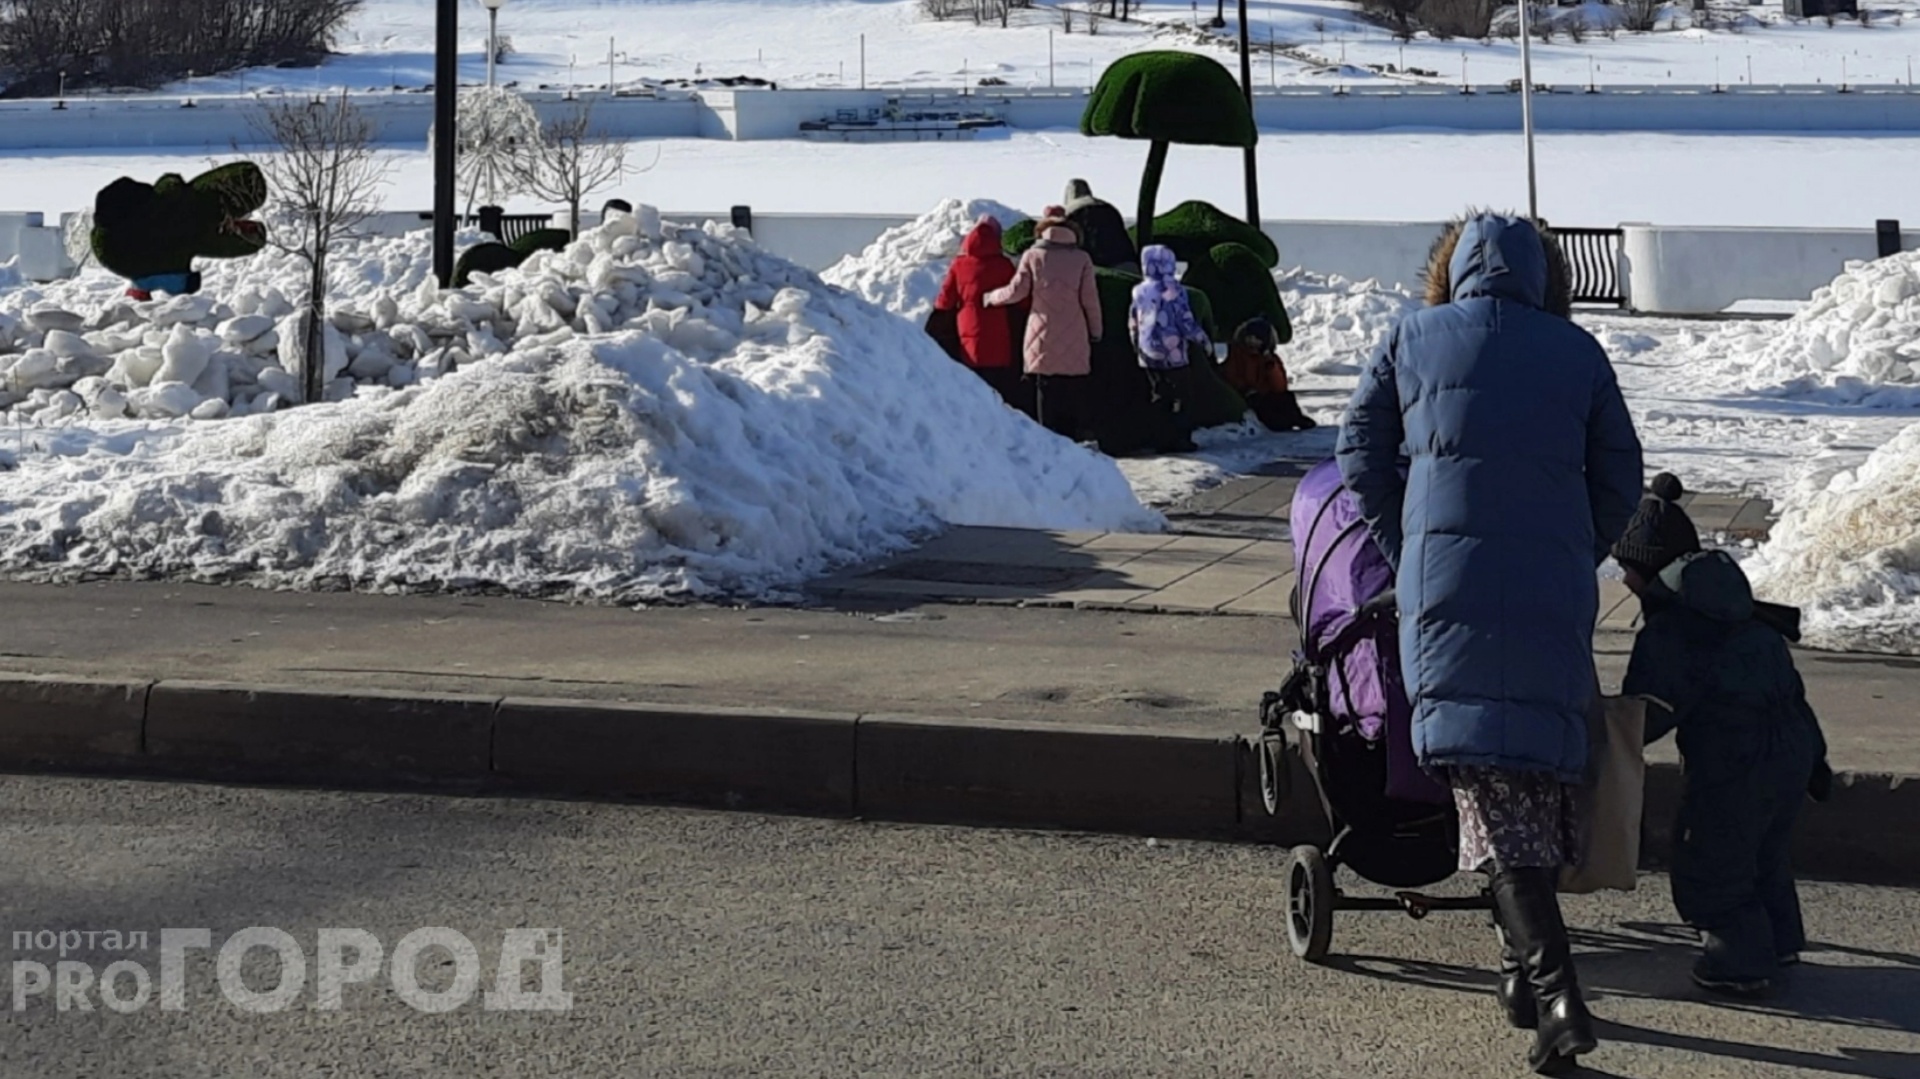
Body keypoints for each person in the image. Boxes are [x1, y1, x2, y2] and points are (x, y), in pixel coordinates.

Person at [1336, 213, 1644, 1077]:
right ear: (1547, 277)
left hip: (1449, 587)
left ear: (1450, 273)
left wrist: (1411, 542)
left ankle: (1556, 995)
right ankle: (1520, 976)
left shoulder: (1413, 337)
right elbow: (1621, 471)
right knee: (1529, 772)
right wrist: (1576, 548)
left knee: (1486, 787)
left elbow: (1358, 448)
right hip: (1549, 585)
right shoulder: (1575, 355)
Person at [1614, 473, 1831, 1000]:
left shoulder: (1674, 633)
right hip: (1791, 755)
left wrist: (1605, 739)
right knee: (1764, 854)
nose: (1623, 583)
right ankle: (1779, 940)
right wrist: (1817, 762)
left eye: (1627, 571)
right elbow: (1794, 696)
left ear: (1649, 569)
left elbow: (1651, 713)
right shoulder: (1750, 618)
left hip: (1734, 765)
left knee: (1711, 860)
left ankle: (1739, 960)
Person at [986, 207, 1103, 441]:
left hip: (1041, 329)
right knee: (1072, 386)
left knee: (1044, 386)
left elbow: (1016, 292)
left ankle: (1047, 439)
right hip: (1075, 330)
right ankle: (1074, 439)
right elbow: (1090, 300)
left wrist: (990, 297)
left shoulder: (1032, 255)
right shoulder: (1082, 258)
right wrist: (1095, 331)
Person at [929, 214, 1029, 414]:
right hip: (998, 325)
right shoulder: (1003, 265)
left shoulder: (959, 265)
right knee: (998, 380)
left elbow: (944, 301)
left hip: (967, 325)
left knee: (974, 378)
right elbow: (1021, 299)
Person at [1129, 244, 1209, 452]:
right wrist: (1202, 339)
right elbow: (1185, 321)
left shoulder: (1138, 291)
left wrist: (1137, 346)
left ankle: (1159, 438)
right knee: (1183, 396)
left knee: (1158, 394)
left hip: (1148, 352)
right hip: (1174, 354)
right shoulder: (1175, 290)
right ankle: (1181, 438)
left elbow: (1133, 322)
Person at [1220, 317, 1316, 432]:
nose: (1252, 342)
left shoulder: (1270, 359)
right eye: (1249, 338)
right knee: (1267, 410)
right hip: (1247, 395)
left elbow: (1280, 386)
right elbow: (1232, 375)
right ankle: (1280, 423)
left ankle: (1296, 418)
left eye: (1256, 339)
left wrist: (1271, 367)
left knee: (1286, 398)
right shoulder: (1237, 354)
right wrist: (1245, 389)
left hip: (1266, 394)